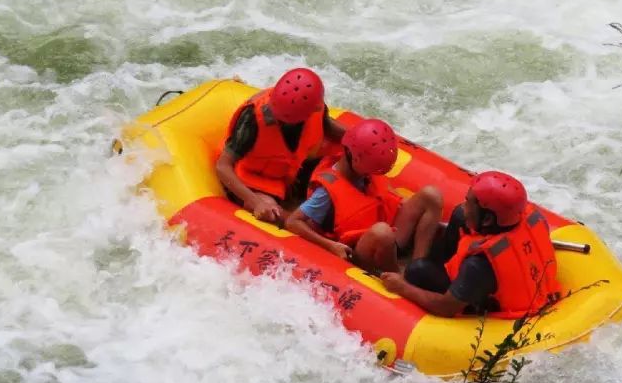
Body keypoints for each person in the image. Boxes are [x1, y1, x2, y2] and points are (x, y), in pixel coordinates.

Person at [379, 171, 560, 318]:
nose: (464, 206)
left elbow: (446, 307)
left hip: (484, 299)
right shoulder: (530, 218)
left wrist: (402, 287)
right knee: (458, 216)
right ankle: (437, 263)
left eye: (469, 203)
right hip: (491, 276)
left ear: (488, 219)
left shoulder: (479, 265)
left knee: (417, 271)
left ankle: (414, 271)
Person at [285, 118, 443, 273]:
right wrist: (330, 245)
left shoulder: (366, 165)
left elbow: (386, 196)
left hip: (389, 230)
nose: (373, 174)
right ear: (354, 158)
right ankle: (399, 278)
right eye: (371, 170)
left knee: (432, 195)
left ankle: (417, 268)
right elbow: (293, 222)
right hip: (361, 249)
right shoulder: (325, 192)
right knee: (382, 232)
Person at [216, 68, 346, 224]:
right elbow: (223, 166)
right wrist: (256, 202)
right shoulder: (252, 119)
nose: (282, 121)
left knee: (345, 164)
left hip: (290, 173)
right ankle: (310, 232)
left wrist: (357, 139)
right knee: (272, 212)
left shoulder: (313, 104)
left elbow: (326, 126)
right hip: (253, 180)